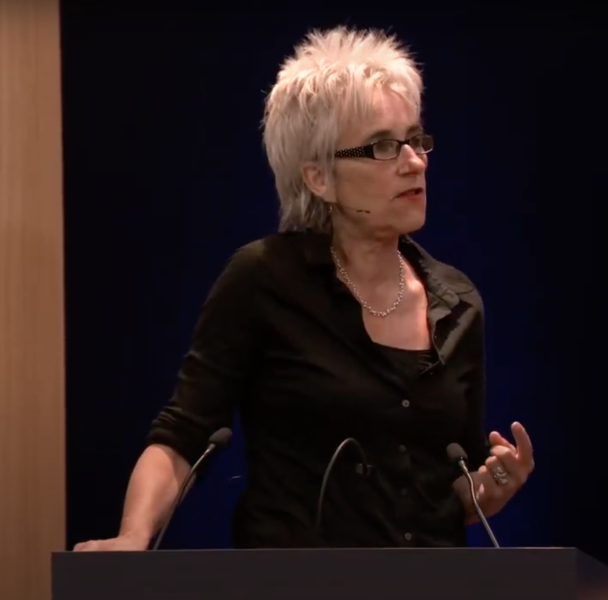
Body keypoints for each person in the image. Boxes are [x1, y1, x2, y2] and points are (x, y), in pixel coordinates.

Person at [74, 26, 534, 551]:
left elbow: (450, 488)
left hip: (432, 583)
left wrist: (490, 488)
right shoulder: (263, 280)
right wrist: (133, 537)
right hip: (290, 581)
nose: (415, 161)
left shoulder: (459, 302)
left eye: (415, 139)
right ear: (319, 178)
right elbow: (183, 437)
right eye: (384, 146)